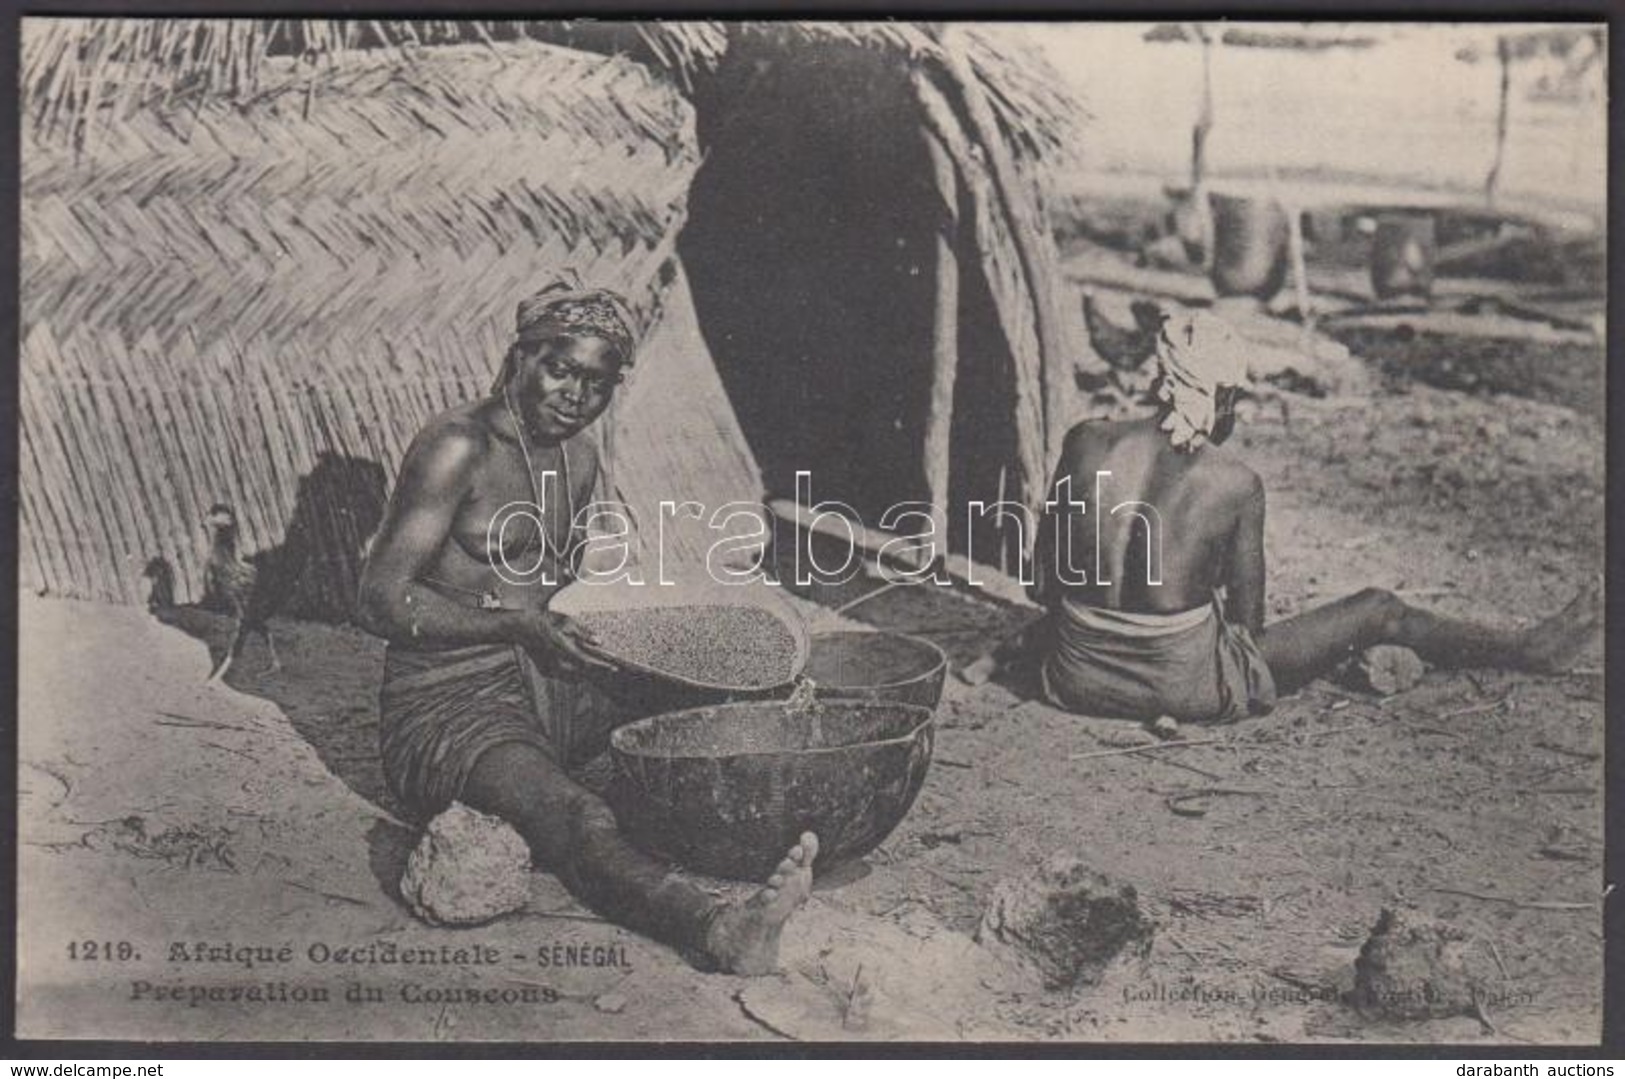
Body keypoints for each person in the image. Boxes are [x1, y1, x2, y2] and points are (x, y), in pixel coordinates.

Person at [357, 277, 816, 974]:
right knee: (577, 815)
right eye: (560, 368)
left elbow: (560, 587)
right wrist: (515, 627)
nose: (575, 394)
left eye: (596, 382)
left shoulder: (579, 456)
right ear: (521, 357)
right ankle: (721, 927)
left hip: (545, 675)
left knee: (722, 706)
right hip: (447, 704)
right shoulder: (458, 447)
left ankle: (772, 846)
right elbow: (381, 598)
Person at [1031, 306, 1601, 723]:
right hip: (1186, 691)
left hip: (1073, 678)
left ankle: (1530, 647)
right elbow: (1247, 635)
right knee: (1378, 609)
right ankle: (1529, 650)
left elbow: (1043, 584)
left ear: (1159, 379)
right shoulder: (1234, 482)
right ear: (1224, 398)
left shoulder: (1084, 442)